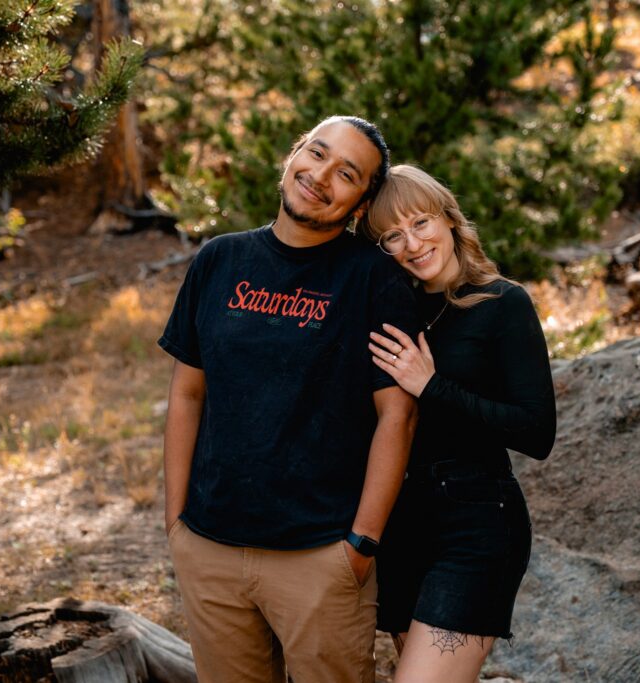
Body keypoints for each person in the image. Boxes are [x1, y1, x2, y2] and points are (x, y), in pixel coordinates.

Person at [157, 116, 419, 683]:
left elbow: (396, 416)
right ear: (293, 155)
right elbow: (187, 391)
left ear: (360, 203)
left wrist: (360, 545)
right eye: (317, 153)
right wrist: (176, 523)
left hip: (320, 557)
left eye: (346, 173)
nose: (321, 176)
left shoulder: (374, 279)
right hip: (210, 548)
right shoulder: (218, 261)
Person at [359, 165, 556, 683]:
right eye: (392, 237)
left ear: (449, 219)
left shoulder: (503, 304)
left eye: (421, 223)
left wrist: (433, 387)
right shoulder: (389, 309)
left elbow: (537, 432)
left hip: (476, 525)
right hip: (400, 528)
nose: (412, 244)